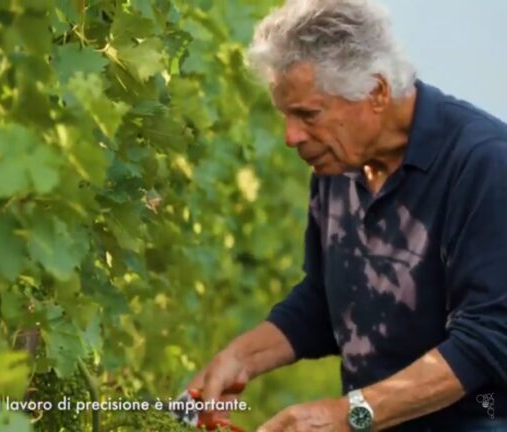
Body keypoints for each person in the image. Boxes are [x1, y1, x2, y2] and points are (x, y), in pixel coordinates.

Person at [186, 0, 507, 431]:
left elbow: (490, 337)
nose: (290, 136)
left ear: (375, 92)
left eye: (308, 115)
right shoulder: (339, 165)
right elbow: (325, 302)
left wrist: (350, 413)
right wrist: (241, 357)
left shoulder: (484, 164)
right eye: (285, 115)